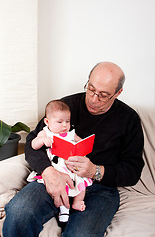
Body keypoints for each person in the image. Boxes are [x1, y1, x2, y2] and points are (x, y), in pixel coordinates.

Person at [3, 62, 144, 237]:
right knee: (19, 213)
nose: (93, 99)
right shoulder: (65, 106)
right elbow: (33, 142)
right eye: (91, 89)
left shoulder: (129, 119)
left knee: (81, 234)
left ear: (117, 93)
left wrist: (95, 171)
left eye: (103, 95)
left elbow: (133, 170)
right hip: (56, 176)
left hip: (100, 189)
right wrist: (48, 172)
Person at [27, 99, 93, 223]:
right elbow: (33, 145)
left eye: (67, 121)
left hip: (71, 167)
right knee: (62, 188)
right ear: (47, 122)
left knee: (82, 183)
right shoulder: (45, 132)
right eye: (60, 122)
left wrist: (82, 145)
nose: (64, 125)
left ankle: (78, 202)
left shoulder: (70, 133)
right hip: (56, 168)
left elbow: (80, 141)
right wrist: (42, 141)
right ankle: (64, 209)